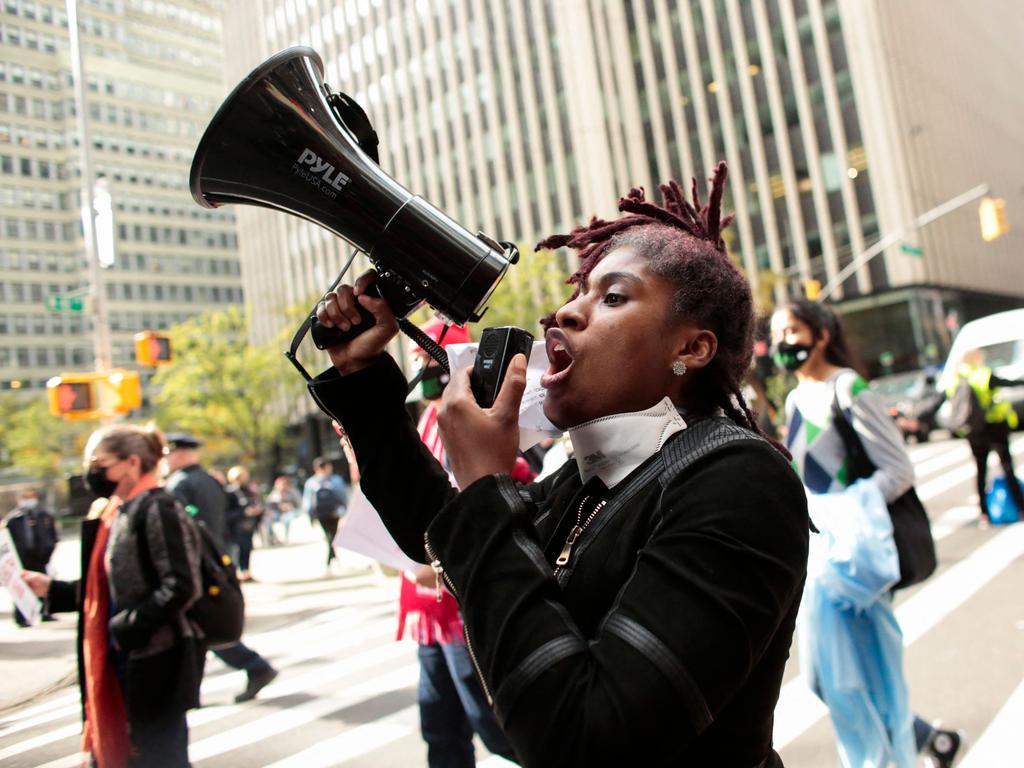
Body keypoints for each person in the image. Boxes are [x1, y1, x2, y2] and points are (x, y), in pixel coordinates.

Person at [309, 163, 810, 767]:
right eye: (577, 295)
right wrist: (365, 384)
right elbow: (442, 539)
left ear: (692, 348)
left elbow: (589, 739)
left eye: (613, 297)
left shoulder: (736, 481)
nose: (566, 315)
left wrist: (487, 486)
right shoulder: (586, 481)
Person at [770, 299, 963, 768]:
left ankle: (891, 757)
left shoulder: (848, 387)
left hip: (855, 559)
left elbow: (898, 470)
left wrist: (845, 506)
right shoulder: (794, 399)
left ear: (820, 335)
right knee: (824, 679)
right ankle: (923, 743)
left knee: (871, 682)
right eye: (777, 334)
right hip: (820, 559)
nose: (783, 344)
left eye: (793, 331)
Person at [22, 424, 203, 768]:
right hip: (127, 660)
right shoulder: (118, 511)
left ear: (131, 462)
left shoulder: (157, 507)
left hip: (156, 661)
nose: (92, 474)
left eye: (99, 464)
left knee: (159, 758)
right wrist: (53, 591)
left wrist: (126, 629)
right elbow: (112, 588)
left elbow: (181, 584)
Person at [390, 317, 516, 767]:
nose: (416, 366)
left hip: (458, 594)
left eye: (423, 357)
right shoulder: (426, 416)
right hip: (427, 598)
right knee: (440, 724)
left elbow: (501, 484)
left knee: (495, 725)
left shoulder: (474, 412)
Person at [164, 434, 278, 704]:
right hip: (219, 560)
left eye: (168, 454)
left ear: (178, 454)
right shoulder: (211, 481)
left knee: (202, 628)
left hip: (197, 565)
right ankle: (190, 690)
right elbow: (231, 518)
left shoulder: (178, 484)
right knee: (201, 629)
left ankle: (255, 666)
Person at [948, 348, 1024, 525]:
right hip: (994, 427)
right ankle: (1021, 507)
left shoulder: (956, 378)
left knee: (981, 471)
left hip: (972, 431)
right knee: (1007, 467)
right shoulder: (982, 375)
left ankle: (984, 513)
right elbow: (1009, 383)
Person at [3, 489, 58, 626]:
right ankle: (21, 617)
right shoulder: (12, 520)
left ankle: (45, 612)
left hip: (40, 556)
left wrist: (48, 550)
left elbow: (52, 535)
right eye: (25, 497)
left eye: (30, 497)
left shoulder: (44, 516)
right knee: (22, 586)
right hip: (21, 559)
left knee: (43, 584)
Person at [301, 457, 349, 568]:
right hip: (333, 513)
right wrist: (343, 511)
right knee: (332, 536)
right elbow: (342, 497)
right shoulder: (336, 480)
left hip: (321, 514)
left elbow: (307, 502)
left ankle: (332, 559)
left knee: (331, 536)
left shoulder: (311, 482)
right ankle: (331, 559)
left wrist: (311, 517)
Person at [225, 466, 263, 582]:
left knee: (247, 548)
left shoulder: (248, 491)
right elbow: (228, 512)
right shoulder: (230, 493)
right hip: (237, 527)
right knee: (239, 550)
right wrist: (244, 512)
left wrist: (257, 511)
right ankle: (240, 572)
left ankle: (246, 571)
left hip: (249, 525)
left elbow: (255, 503)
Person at [264, 474, 302, 545]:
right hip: (278, 513)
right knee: (267, 520)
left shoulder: (293, 492)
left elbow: (299, 504)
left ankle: (286, 538)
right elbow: (269, 506)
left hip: (291, 512)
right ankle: (271, 538)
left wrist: (290, 507)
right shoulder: (274, 494)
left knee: (287, 519)